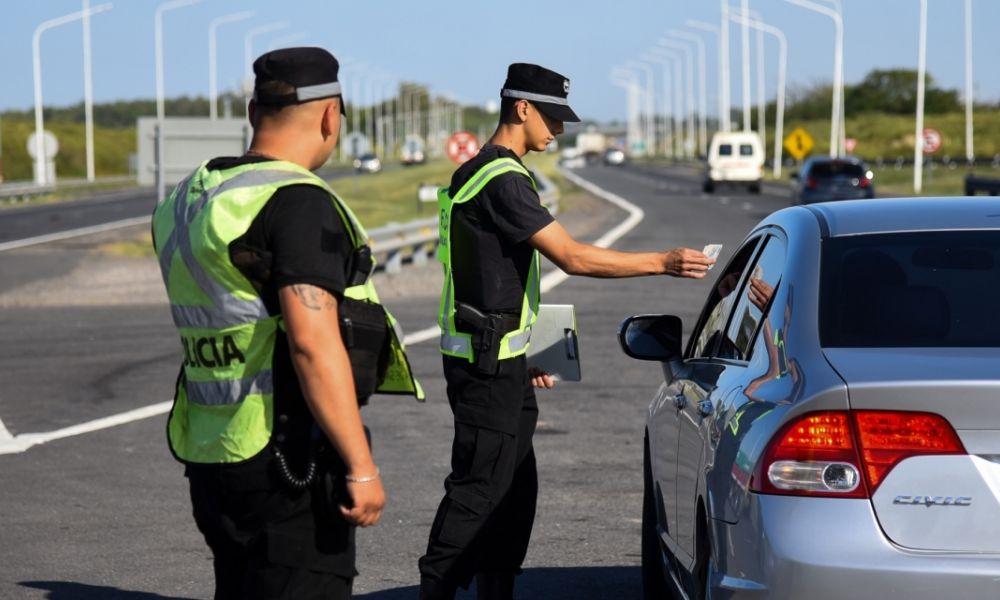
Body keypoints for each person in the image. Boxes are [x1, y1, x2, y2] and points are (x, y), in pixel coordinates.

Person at [418, 63, 715, 600]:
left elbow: (487, 276)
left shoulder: (481, 172)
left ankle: (493, 590)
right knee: (478, 492)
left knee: (512, 491)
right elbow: (573, 257)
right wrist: (663, 262)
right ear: (521, 108)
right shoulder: (502, 179)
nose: (557, 130)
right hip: (485, 365)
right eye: (551, 117)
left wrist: (520, 353)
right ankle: (436, 587)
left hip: (496, 358)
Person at [151, 47, 422, 600]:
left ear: (254, 113)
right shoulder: (295, 201)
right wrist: (361, 465)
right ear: (330, 116)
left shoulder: (187, 201)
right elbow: (310, 343)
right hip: (286, 455)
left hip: (211, 449)